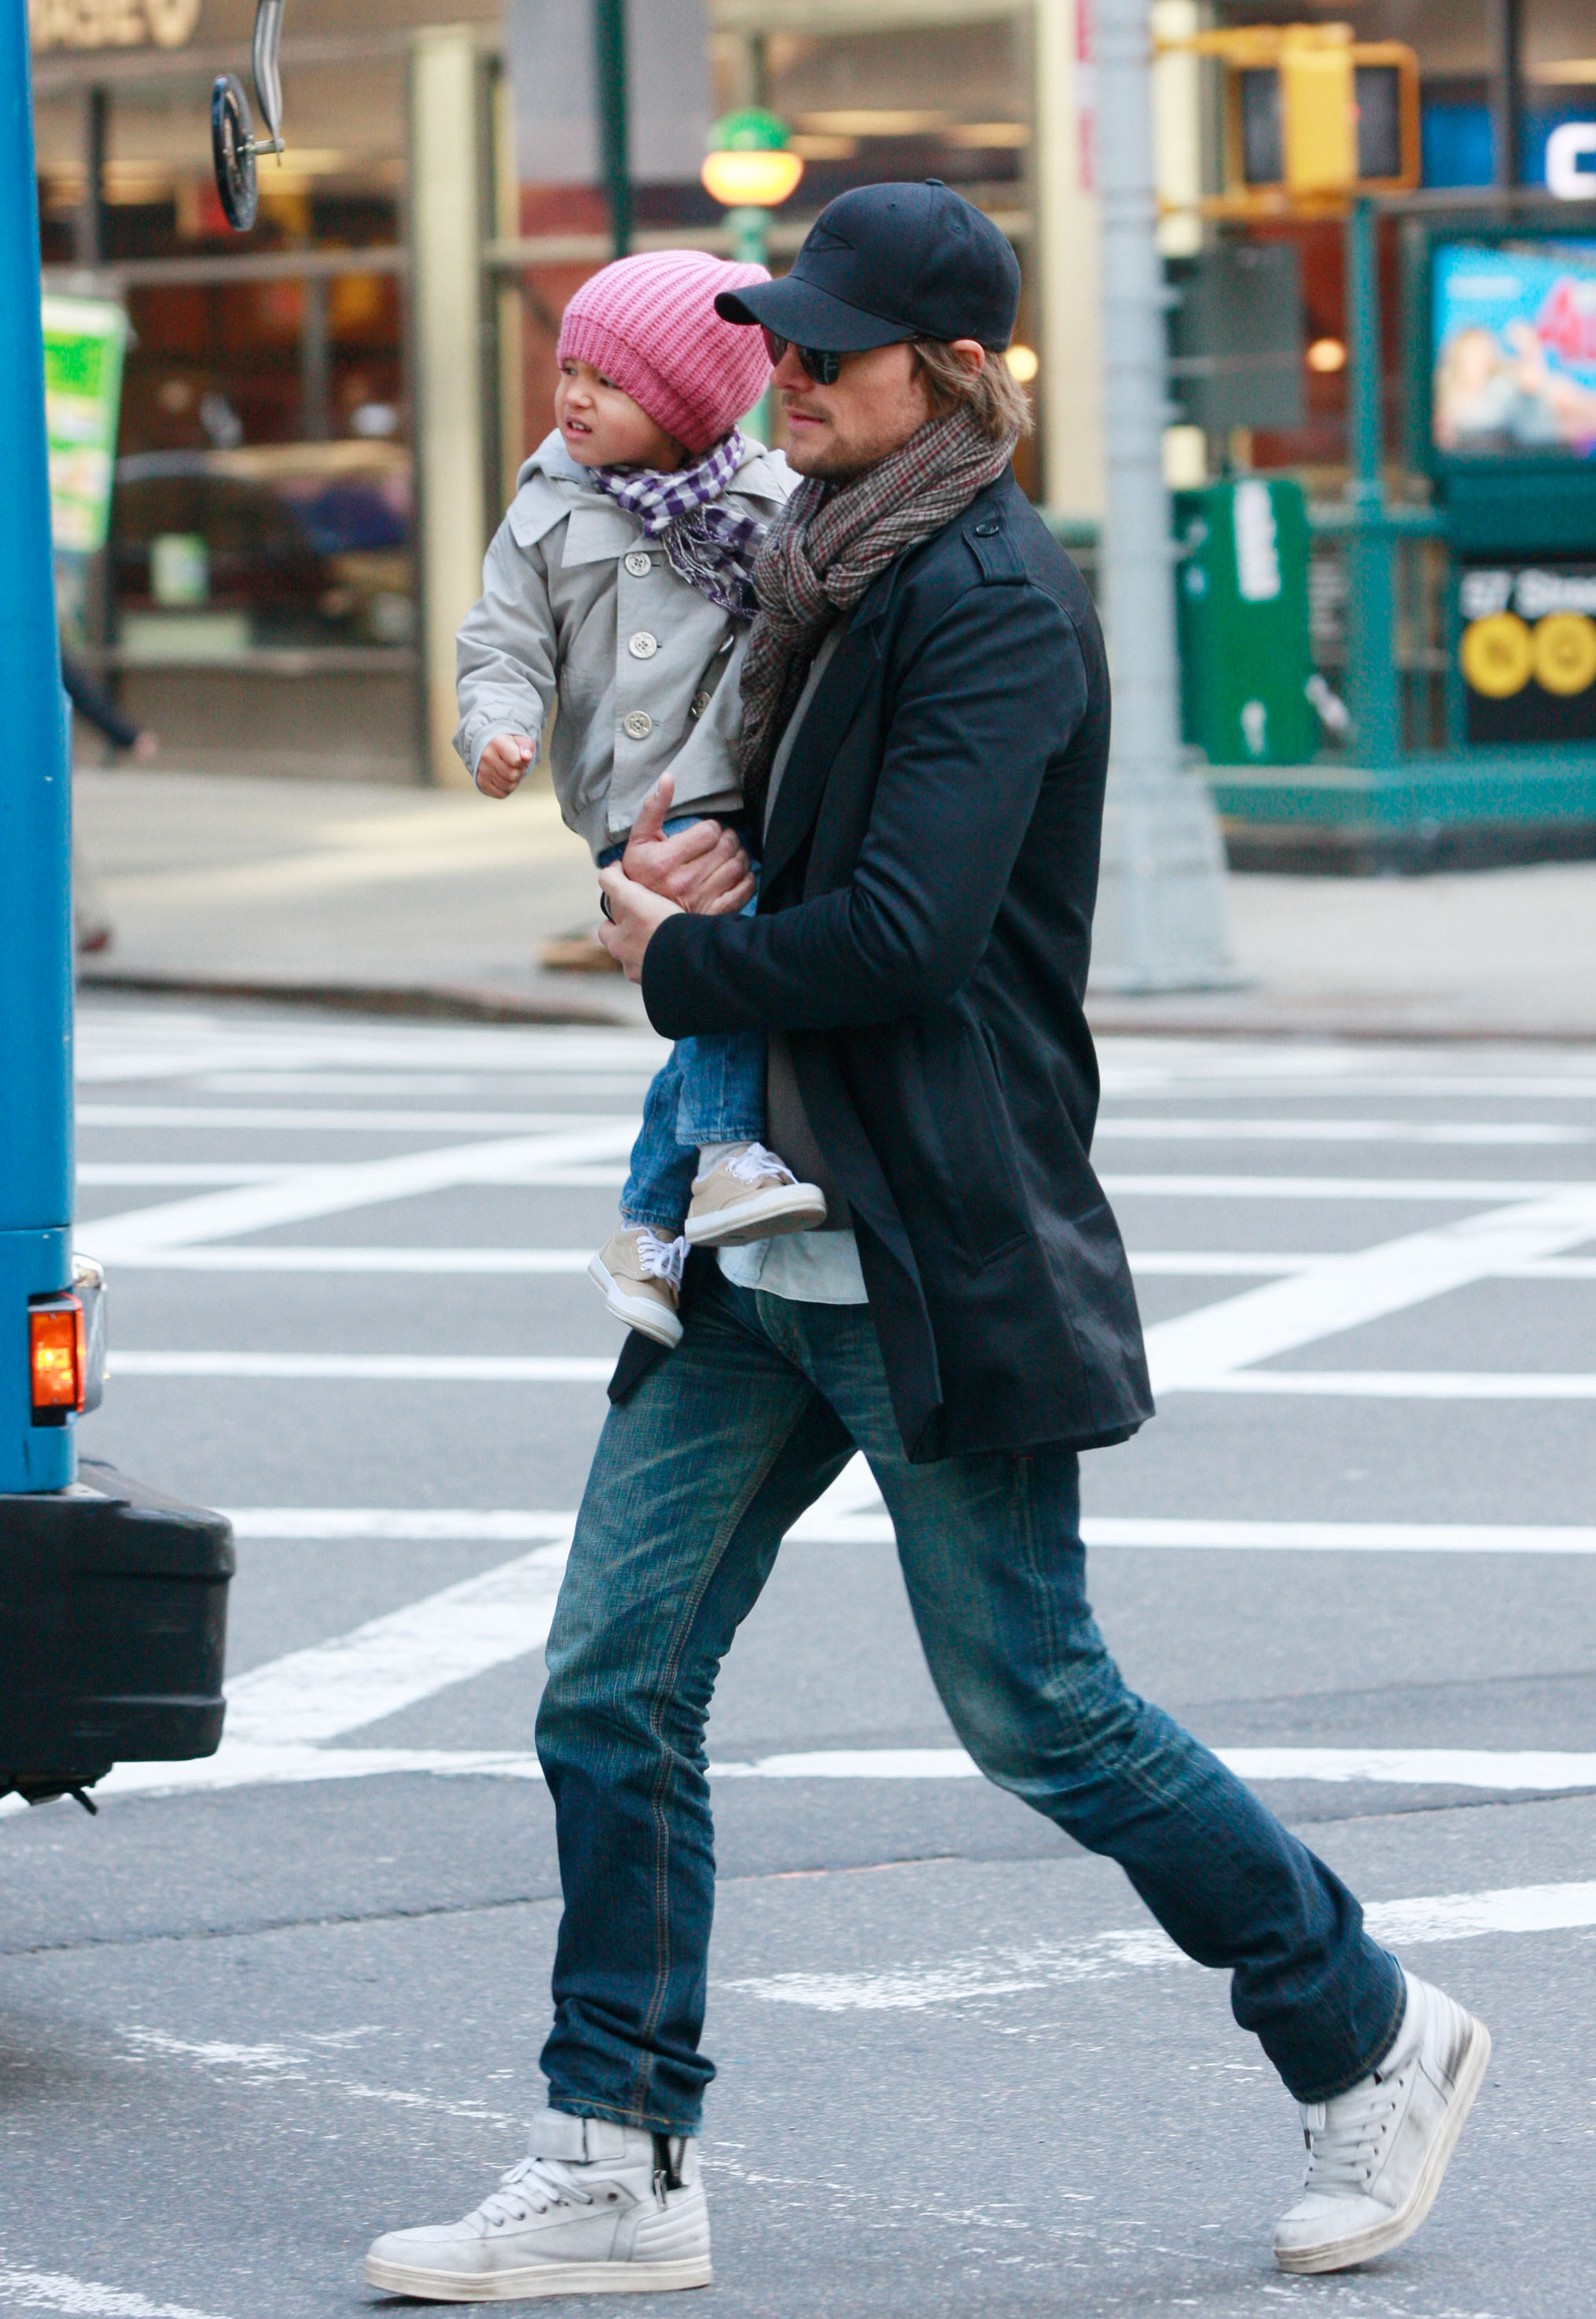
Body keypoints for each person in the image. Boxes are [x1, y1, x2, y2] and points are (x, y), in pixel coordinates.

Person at [368, 182, 1489, 2301]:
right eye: (773, 346)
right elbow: (807, 842)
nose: (779, 380)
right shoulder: (812, 562)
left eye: (822, 357)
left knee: (1039, 1713)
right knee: (608, 1685)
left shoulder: (982, 599)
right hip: (749, 1232)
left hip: (909, 1225)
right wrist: (717, 846)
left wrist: (671, 949)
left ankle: (1367, 2036)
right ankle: (615, 2149)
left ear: (950, 376)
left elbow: (901, 938)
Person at [454, 250, 825, 1353]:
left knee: (723, 970)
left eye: (608, 383)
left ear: (683, 404)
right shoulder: (542, 516)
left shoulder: (772, 506)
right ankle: (714, 1167)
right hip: (631, 805)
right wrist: (497, 730)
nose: (573, 396)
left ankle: (650, 1222)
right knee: (716, 968)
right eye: (569, 369)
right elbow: (499, 648)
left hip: (734, 786)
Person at [62, 650, 158, 956]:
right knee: (59, 841)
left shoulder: (21, 622)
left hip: (34, 768)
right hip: (33, 766)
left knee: (58, 841)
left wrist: (126, 735)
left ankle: (92, 921)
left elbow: (79, 689)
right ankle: (91, 922)